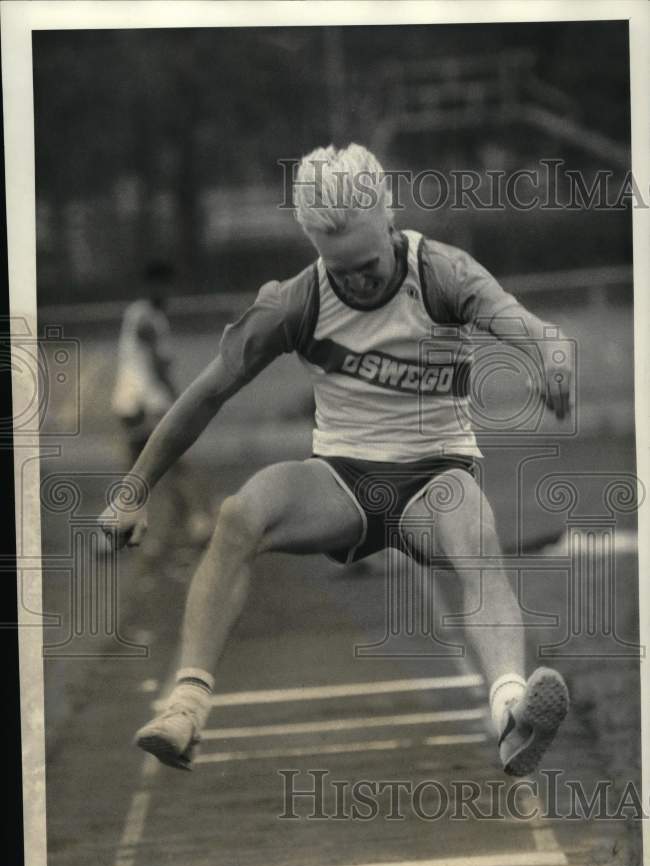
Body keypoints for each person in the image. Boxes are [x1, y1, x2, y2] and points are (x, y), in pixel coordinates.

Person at [100, 144, 570, 775]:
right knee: (240, 514)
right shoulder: (296, 301)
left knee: (474, 531)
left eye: (368, 264)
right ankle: (186, 707)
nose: (358, 281)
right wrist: (133, 488)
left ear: (389, 218)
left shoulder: (443, 274)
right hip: (341, 481)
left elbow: (526, 326)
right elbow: (206, 393)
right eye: (340, 269)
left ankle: (511, 711)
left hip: (436, 480)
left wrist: (551, 355)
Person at [110, 259, 212, 547]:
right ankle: (196, 522)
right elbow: (158, 366)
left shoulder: (151, 318)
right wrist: (184, 401)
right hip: (145, 406)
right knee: (176, 464)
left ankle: (128, 527)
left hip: (133, 405)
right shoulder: (143, 316)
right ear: (151, 287)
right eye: (161, 285)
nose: (166, 292)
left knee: (142, 469)